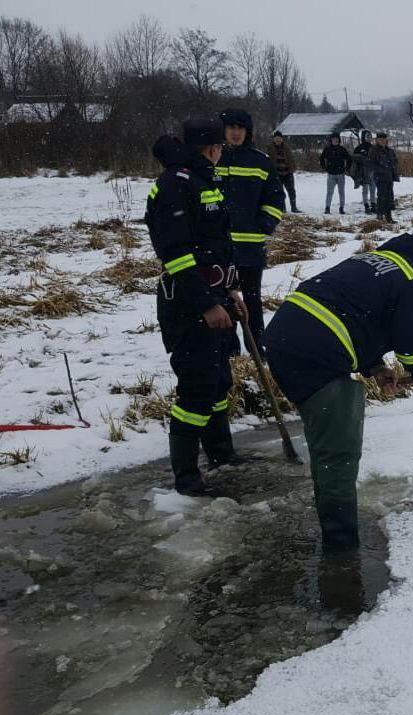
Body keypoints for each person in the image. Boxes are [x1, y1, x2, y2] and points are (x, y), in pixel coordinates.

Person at [261, 225, 413, 550]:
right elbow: (412, 342)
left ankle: (335, 528)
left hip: (286, 338)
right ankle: (341, 550)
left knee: (328, 440)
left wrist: (375, 366)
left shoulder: (380, 261)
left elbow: (359, 314)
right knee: (338, 452)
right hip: (316, 352)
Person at [146, 119, 251, 497]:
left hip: (217, 294)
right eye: (219, 146)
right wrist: (206, 304)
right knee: (197, 388)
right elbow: (176, 254)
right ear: (208, 148)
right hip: (188, 303)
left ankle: (222, 455)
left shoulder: (205, 181)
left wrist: (233, 289)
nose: (222, 151)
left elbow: (219, 242)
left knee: (219, 380)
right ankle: (187, 478)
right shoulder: (174, 185)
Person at [216, 108, 285, 351]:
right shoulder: (211, 158)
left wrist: (266, 222)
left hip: (250, 247)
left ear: (248, 132)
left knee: (252, 300)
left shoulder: (260, 160)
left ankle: (257, 346)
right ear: (223, 130)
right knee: (222, 299)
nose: (235, 133)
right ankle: (228, 349)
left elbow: (276, 197)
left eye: (240, 128)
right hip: (218, 248)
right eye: (231, 128)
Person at [366, 132, 399, 222]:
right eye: (380, 140)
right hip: (380, 177)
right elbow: (370, 164)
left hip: (389, 176)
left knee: (389, 196)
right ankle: (379, 216)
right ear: (377, 140)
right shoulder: (374, 150)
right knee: (381, 196)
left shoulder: (389, 151)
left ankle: (388, 216)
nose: (383, 141)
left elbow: (395, 161)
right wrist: (381, 169)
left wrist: (393, 168)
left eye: (384, 139)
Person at [320, 132, 352, 215]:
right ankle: (327, 208)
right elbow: (321, 158)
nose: (335, 140)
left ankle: (341, 208)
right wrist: (324, 167)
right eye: (333, 139)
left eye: (337, 138)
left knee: (341, 192)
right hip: (331, 174)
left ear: (339, 140)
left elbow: (349, 159)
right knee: (329, 192)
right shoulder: (327, 149)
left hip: (341, 174)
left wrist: (347, 168)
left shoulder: (342, 149)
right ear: (331, 140)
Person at [268, 130, 299, 212]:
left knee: (291, 191)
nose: (278, 140)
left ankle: (294, 207)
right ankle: (282, 208)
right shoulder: (270, 147)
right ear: (274, 139)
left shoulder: (286, 147)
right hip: (276, 174)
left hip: (287, 173)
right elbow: (268, 160)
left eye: (279, 138)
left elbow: (291, 159)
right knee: (280, 192)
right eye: (276, 138)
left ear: (282, 139)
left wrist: (293, 168)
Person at [352, 130, 376, 214]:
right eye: (367, 137)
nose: (369, 138)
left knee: (373, 188)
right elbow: (354, 159)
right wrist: (362, 157)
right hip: (363, 171)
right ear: (364, 137)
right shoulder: (359, 148)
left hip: (372, 171)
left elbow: (376, 158)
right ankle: (366, 206)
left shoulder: (373, 147)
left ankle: (373, 205)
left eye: (370, 137)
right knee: (365, 189)